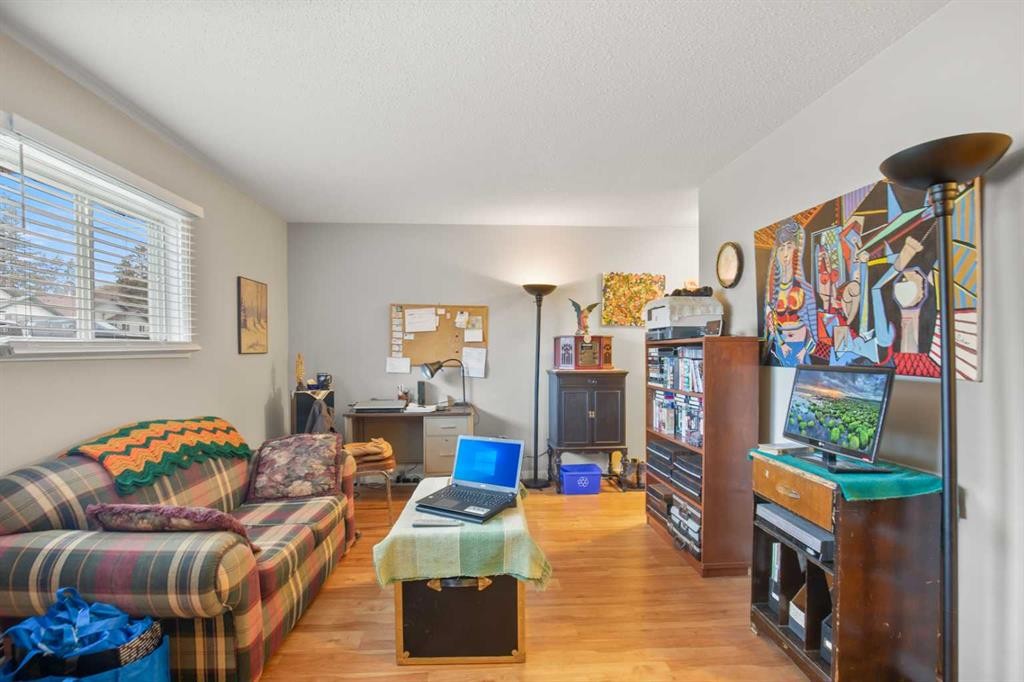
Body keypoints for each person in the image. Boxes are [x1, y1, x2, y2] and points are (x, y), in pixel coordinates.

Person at [764, 220, 817, 366]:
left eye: (789, 247)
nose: (786, 254)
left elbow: (813, 330)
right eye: (781, 249)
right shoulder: (773, 293)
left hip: (800, 350)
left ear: (796, 250)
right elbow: (772, 325)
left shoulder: (806, 289)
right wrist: (781, 344)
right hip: (781, 349)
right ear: (777, 254)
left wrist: (804, 351)